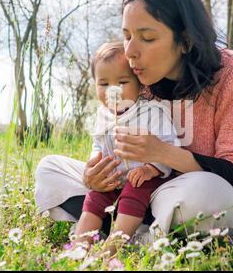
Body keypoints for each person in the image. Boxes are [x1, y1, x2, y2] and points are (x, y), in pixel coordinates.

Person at [34, 0, 233, 244]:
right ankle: (141, 232)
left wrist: (162, 153)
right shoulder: (132, 77)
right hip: (131, 187)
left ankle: (125, 228)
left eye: (146, 38)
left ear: (186, 40)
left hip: (186, 193)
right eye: (127, 36)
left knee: (209, 195)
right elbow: (109, 139)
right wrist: (93, 174)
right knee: (49, 169)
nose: (130, 51)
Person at [71, 41, 179, 253]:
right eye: (103, 84)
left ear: (139, 84)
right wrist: (95, 162)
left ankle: (115, 244)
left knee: (133, 191)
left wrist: (150, 169)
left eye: (122, 82)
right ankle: (79, 245)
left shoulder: (151, 112)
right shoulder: (103, 115)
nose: (113, 90)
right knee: (94, 197)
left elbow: (169, 145)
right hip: (113, 177)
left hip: (144, 178)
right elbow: (98, 143)